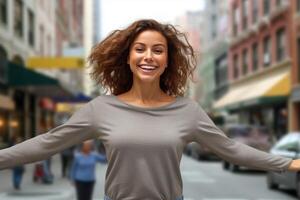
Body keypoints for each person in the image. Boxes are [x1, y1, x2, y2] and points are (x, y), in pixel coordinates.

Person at [0, 19, 300, 200]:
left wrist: (288, 164)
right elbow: (47, 143)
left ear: (167, 60)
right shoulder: (102, 108)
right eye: (140, 49)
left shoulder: (188, 111)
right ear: (128, 57)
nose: (149, 56)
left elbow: (231, 149)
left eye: (158, 50)